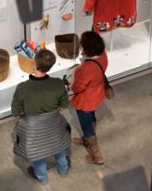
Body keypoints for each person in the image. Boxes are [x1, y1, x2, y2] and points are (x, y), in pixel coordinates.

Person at [11, 49, 71, 183]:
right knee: (59, 147)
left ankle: (42, 178)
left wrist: (20, 119)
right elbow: (64, 105)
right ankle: (63, 169)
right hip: (53, 123)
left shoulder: (22, 87)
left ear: (34, 63)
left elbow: (15, 110)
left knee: (37, 154)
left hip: (32, 127)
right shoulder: (58, 83)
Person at [70, 31, 108, 165]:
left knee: (87, 127)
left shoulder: (86, 68)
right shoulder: (103, 56)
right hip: (97, 95)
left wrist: (70, 85)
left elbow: (78, 87)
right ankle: (87, 138)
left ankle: (97, 156)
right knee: (91, 118)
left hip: (85, 101)